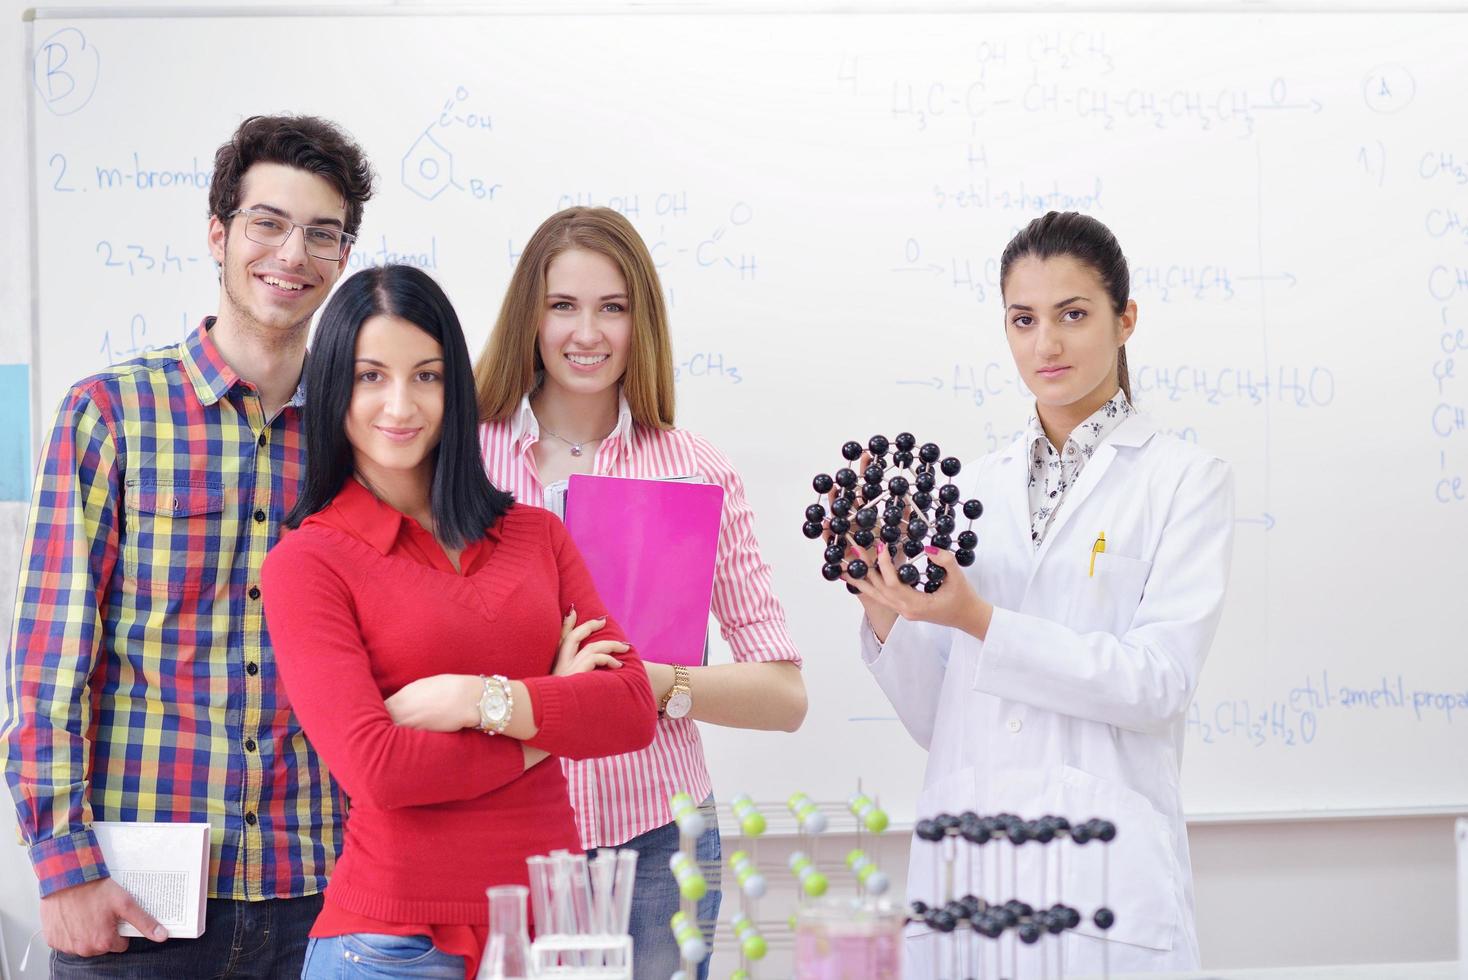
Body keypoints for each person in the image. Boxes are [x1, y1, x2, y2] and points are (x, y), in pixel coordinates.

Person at [0, 115, 373, 977]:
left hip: (324, 891)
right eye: (268, 223)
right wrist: (63, 870)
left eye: (322, 234)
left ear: (343, 258)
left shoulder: (362, 433)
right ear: (219, 233)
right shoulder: (110, 413)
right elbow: (49, 665)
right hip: (138, 906)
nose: (292, 253)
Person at [846, 211, 1234, 976]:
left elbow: (1159, 683)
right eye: (1023, 320)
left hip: (1103, 891)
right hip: (972, 880)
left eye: (1073, 315)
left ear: (1125, 319)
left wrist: (981, 622)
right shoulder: (972, 486)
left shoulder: (1184, 479)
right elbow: (942, 719)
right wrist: (888, 609)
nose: (1045, 345)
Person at [260, 263, 657, 979]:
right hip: (393, 945)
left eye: (428, 375)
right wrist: (546, 722)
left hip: (555, 934)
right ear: (332, 392)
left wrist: (474, 700)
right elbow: (378, 769)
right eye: (370, 375)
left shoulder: (537, 537)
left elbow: (629, 710)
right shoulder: (308, 564)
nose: (401, 404)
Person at [470, 206, 806, 978]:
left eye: (611, 308)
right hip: (498, 824)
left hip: (658, 842)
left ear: (640, 321)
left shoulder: (693, 469)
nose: (586, 333)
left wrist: (654, 686)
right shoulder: (464, 457)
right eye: (563, 306)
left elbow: (785, 695)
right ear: (531, 315)